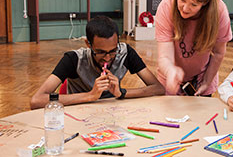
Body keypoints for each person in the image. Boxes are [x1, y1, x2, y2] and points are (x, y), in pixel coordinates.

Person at [30, 16, 164, 109]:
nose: (107, 58)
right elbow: (37, 100)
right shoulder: (74, 59)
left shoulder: (126, 53)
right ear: (88, 44)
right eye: (100, 52)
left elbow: (158, 88)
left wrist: (121, 93)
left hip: (113, 112)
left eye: (112, 51)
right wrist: (90, 96)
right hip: (79, 115)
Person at [155, 0, 232, 96]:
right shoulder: (166, 6)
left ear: (205, 3)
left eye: (194, 5)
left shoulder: (219, 11)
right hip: (170, 81)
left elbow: (218, 53)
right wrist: (170, 71)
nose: (185, 8)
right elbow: (164, 56)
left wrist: (206, 82)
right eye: (182, 0)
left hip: (202, 80)